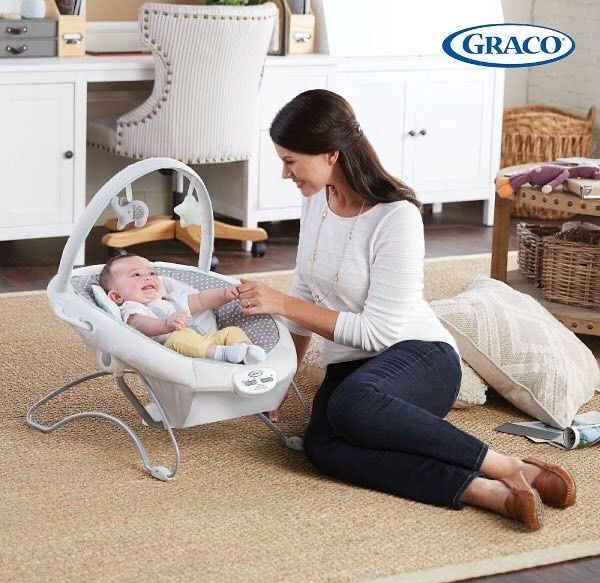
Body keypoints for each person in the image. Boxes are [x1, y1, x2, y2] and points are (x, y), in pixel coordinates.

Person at [235, 89, 576, 530]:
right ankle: (486, 492)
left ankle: (507, 466)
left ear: (330, 154)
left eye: (291, 161)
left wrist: (281, 303)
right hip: (352, 368)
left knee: (351, 405)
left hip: (420, 357)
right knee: (320, 446)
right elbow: (305, 288)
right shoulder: (315, 198)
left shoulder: (396, 216)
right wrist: (284, 375)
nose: (285, 173)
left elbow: (376, 333)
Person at [99, 254, 266, 365]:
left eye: (152, 273)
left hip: (206, 341)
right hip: (172, 351)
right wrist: (165, 325)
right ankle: (224, 354)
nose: (148, 278)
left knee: (231, 331)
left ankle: (247, 351)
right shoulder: (132, 308)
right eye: (136, 275)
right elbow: (139, 324)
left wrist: (225, 294)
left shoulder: (171, 300)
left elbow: (200, 300)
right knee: (179, 337)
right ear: (116, 296)